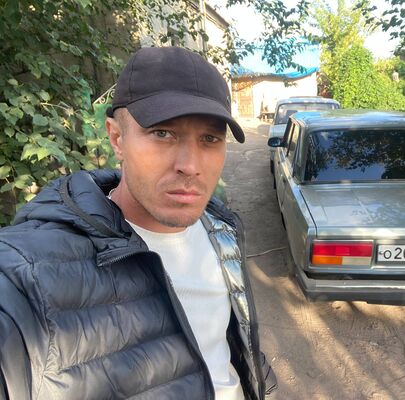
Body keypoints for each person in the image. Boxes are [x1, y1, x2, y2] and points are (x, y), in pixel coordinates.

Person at [0, 47, 275, 400]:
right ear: (117, 138)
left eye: (210, 139)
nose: (191, 166)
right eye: (163, 133)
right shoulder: (27, 276)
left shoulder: (222, 229)